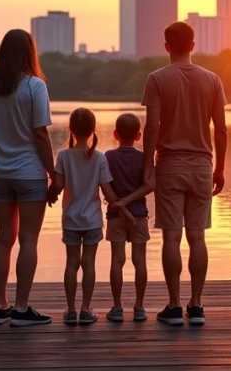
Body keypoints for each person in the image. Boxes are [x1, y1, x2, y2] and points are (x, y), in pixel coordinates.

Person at [141, 21, 228, 326]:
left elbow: (152, 126)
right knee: (197, 237)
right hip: (202, 166)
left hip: (169, 165)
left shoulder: (156, 79)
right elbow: (221, 129)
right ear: (193, 44)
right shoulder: (212, 80)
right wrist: (220, 167)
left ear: (166, 46)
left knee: (171, 237)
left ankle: (175, 306)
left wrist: (147, 165)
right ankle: (198, 306)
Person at [0, 29, 55, 327]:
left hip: (1, 175)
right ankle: (21, 309)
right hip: (30, 174)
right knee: (28, 239)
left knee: (3, 240)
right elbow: (40, 134)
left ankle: (0, 307)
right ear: (30, 53)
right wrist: (54, 174)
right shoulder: (35, 86)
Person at [47, 107, 135, 326]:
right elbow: (107, 190)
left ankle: (70, 310)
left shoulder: (64, 156)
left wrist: (50, 195)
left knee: (71, 264)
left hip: (70, 219)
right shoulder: (98, 157)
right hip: (93, 220)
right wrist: (122, 208)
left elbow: (57, 185)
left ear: (71, 129)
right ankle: (85, 310)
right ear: (93, 129)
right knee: (89, 263)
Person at [104, 113, 154, 322]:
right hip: (139, 215)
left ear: (115, 134)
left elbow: (104, 185)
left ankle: (117, 308)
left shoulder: (107, 156)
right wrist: (129, 204)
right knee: (139, 260)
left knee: (117, 260)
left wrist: (121, 204)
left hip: (115, 214)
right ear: (138, 135)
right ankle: (139, 307)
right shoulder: (144, 157)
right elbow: (150, 185)